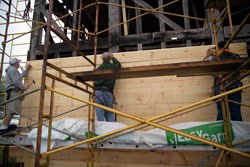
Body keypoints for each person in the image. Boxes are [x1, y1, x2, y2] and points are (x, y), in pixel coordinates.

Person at [204, 41, 243, 121]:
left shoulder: (214, 58)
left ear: (219, 49)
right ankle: (238, 132)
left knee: (222, 113)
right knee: (236, 112)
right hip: (234, 84)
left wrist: (209, 54)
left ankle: (222, 132)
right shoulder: (235, 56)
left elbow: (204, 63)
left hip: (220, 85)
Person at [0, 58, 32, 133]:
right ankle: (3, 128)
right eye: (18, 62)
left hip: (12, 93)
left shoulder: (12, 71)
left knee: (11, 111)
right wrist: (23, 87)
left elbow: (20, 77)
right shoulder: (13, 70)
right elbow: (17, 81)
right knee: (11, 111)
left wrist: (26, 70)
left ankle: (5, 127)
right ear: (15, 63)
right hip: (14, 93)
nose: (19, 64)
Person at [94, 52, 121, 122]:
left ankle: (101, 130)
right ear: (109, 58)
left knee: (99, 111)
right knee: (109, 112)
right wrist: (113, 57)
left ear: (102, 59)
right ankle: (111, 130)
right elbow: (118, 65)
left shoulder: (98, 68)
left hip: (98, 91)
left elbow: (94, 81)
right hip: (108, 92)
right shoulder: (113, 67)